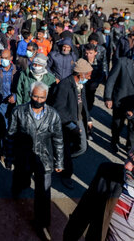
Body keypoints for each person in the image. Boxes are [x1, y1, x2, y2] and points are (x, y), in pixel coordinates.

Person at [5, 81, 63, 241]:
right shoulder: (19, 112)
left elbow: (58, 139)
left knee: (43, 193)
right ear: (30, 96)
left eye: (42, 97)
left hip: (44, 158)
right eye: (35, 96)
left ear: (46, 97)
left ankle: (42, 223)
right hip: (23, 156)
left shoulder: (53, 115)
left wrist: (59, 162)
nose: (38, 100)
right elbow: (10, 135)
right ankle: (16, 190)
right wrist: (9, 158)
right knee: (20, 179)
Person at [51, 59, 93, 189]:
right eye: (88, 75)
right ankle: (65, 173)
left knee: (82, 147)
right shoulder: (64, 85)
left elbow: (83, 103)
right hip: (67, 123)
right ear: (81, 74)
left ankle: (61, 160)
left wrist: (89, 119)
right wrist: (71, 125)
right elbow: (59, 109)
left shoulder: (81, 85)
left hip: (78, 119)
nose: (90, 77)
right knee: (67, 150)